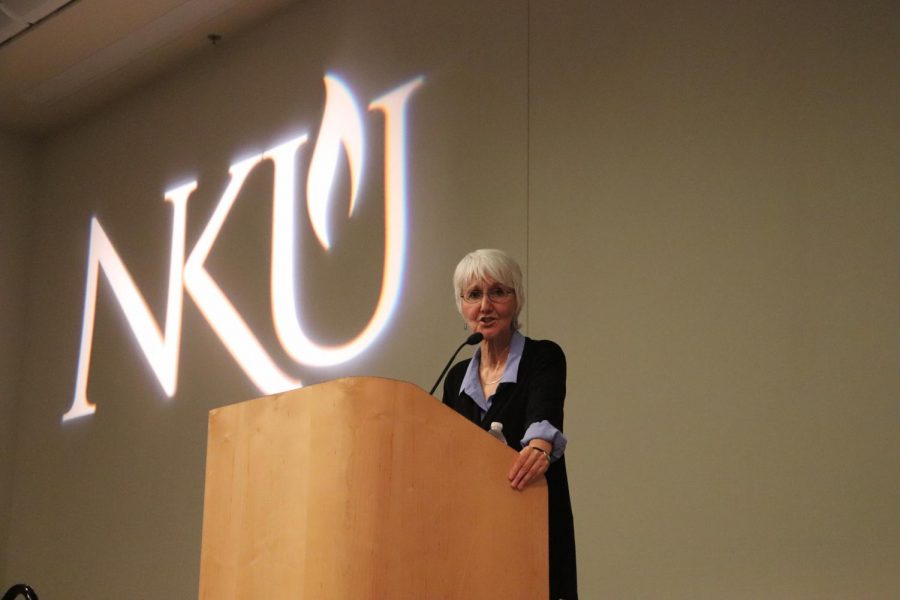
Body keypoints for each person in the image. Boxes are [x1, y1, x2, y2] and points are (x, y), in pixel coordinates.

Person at [441, 248, 577, 600]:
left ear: (517, 300)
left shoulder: (542, 357)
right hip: (475, 530)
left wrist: (538, 447)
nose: (485, 305)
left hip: (531, 516)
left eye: (498, 292)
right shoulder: (456, 378)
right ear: (462, 305)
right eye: (473, 295)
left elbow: (542, 419)